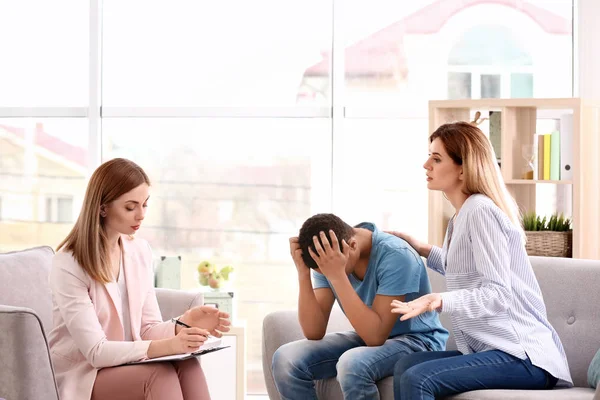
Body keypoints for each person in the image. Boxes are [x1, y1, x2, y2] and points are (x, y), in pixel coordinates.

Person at [387, 121, 573, 400]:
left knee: (419, 378)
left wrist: (438, 299)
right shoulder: (462, 214)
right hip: (497, 351)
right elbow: (465, 268)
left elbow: (498, 293)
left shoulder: (480, 211)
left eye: (436, 159)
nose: (426, 165)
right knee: (405, 367)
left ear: (463, 168)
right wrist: (423, 248)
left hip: (523, 356)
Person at [47, 158, 231, 400]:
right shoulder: (69, 264)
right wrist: (172, 345)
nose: (141, 215)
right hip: (84, 374)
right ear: (102, 208)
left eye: (145, 205)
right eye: (130, 207)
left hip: (127, 363)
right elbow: (96, 352)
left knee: (188, 365)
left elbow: (146, 329)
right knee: (159, 376)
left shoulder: (139, 251)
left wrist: (182, 324)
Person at [272, 213, 448, 399]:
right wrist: (303, 273)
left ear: (353, 246)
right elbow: (313, 331)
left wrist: (336, 275)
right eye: (322, 271)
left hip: (418, 341)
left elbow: (375, 336)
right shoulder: (328, 255)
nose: (326, 273)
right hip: (368, 336)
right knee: (286, 359)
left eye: (327, 270)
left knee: (352, 364)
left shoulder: (396, 255)